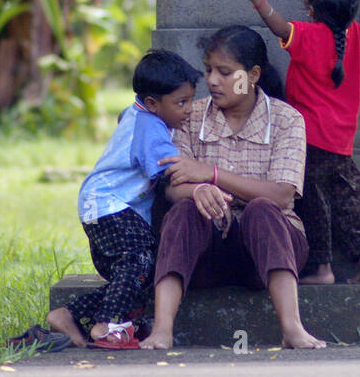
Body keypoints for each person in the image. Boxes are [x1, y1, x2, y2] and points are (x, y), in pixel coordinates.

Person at [140, 26, 326, 351]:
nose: (212, 80)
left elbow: (282, 194)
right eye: (209, 70)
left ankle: (293, 328)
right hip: (208, 251)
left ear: (253, 75)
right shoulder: (189, 115)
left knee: (262, 208)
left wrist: (211, 174)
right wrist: (197, 190)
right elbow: (172, 187)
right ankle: (162, 329)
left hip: (269, 249)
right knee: (183, 209)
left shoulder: (287, 120)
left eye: (225, 72)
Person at [236, 0, 360, 285]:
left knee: (313, 204)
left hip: (307, 140)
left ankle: (322, 269)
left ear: (312, 7)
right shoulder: (355, 35)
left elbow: (277, 26)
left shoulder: (307, 34)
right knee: (349, 200)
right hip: (342, 141)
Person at [47, 49, 200, 350]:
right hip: (111, 205)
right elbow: (171, 170)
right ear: (154, 104)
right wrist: (204, 181)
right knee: (139, 260)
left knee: (141, 272)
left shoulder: (137, 112)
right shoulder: (152, 127)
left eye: (190, 100)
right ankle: (108, 326)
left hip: (99, 205)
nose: (189, 109)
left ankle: (69, 315)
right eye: (181, 102)